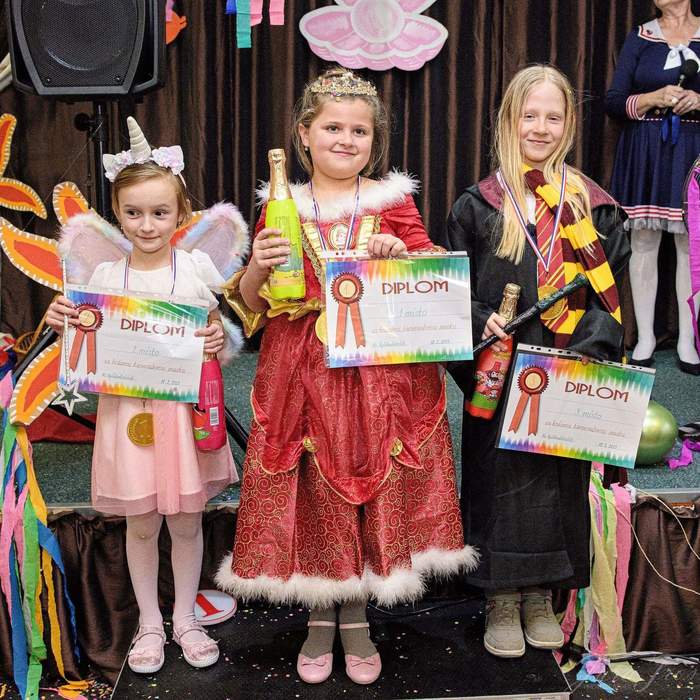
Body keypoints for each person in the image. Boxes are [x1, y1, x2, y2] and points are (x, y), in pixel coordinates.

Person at [215, 68, 477, 685]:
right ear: (304, 134)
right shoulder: (281, 206)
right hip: (301, 373)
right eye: (332, 127)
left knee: (367, 479)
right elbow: (253, 305)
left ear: (374, 141)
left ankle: (356, 614)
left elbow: (431, 275)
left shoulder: (392, 202)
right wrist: (257, 268)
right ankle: (319, 613)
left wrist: (399, 256)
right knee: (313, 487)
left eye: (359, 131)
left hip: (377, 376)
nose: (345, 139)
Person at [439, 65, 630, 658]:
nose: (540, 128)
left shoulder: (594, 208)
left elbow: (612, 300)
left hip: (565, 372)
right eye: (529, 115)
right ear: (508, 120)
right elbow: (452, 294)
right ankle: (500, 594)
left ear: (569, 124)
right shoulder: (479, 206)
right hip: (499, 374)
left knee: (557, 481)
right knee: (497, 477)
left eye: (553, 116)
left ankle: (542, 595)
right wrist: (480, 322)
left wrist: (584, 354)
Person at [46, 118, 247, 674]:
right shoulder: (106, 275)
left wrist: (216, 337)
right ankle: (150, 624)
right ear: (117, 212)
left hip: (182, 417)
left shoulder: (196, 268)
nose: (147, 224)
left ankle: (185, 618)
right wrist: (64, 323)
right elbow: (87, 343)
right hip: (128, 417)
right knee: (140, 524)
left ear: (181, 213)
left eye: (160, 212)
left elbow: (218, 330)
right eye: (133, 213)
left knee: (185, 522)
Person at [606, 0, 700, 373]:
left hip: (693, 150)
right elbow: (614, 101)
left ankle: (688, 340)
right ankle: (645, 336)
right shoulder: (641, 36)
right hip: (645, 149)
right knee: (643, 241)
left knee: (691, 246)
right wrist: (653, 98)